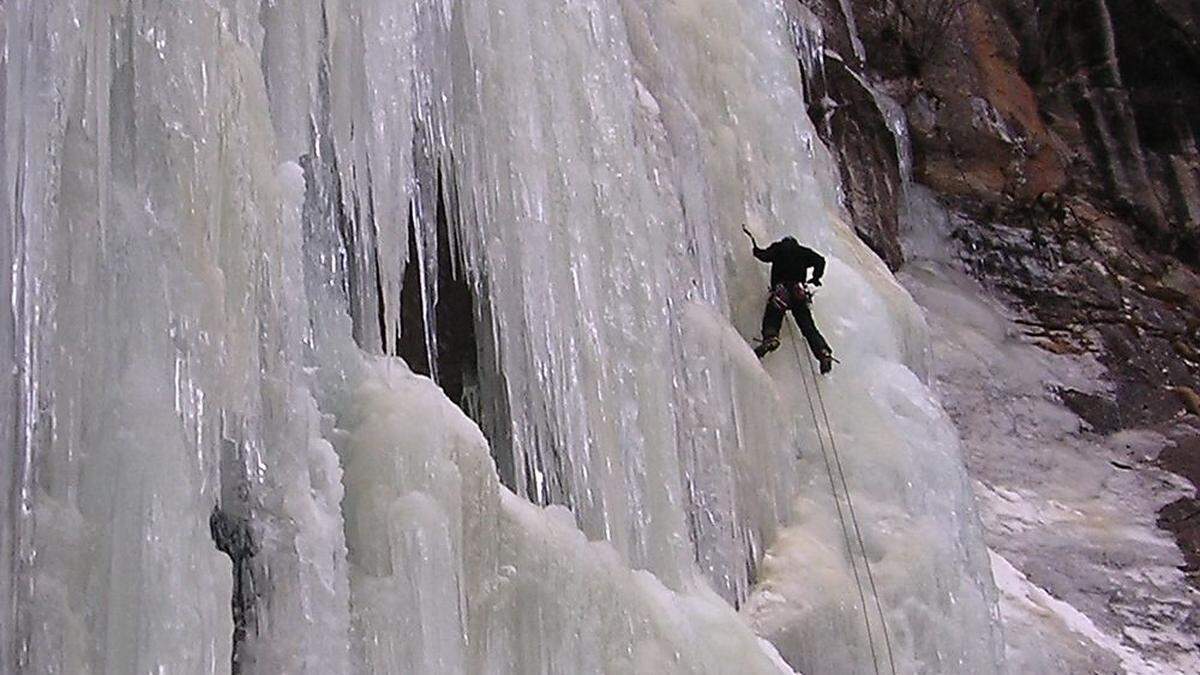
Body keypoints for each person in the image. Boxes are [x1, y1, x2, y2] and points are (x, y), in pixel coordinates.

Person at [745, 228, 834, 373]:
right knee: (808, 327)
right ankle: (823, 352)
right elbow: (820, 260)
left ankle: (771, 337)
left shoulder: (778, 249)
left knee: (773, 315)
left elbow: (764, 256)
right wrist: (816, 277)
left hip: (782, 292)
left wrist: (756, 250)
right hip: (799, 292)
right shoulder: (803, 252)